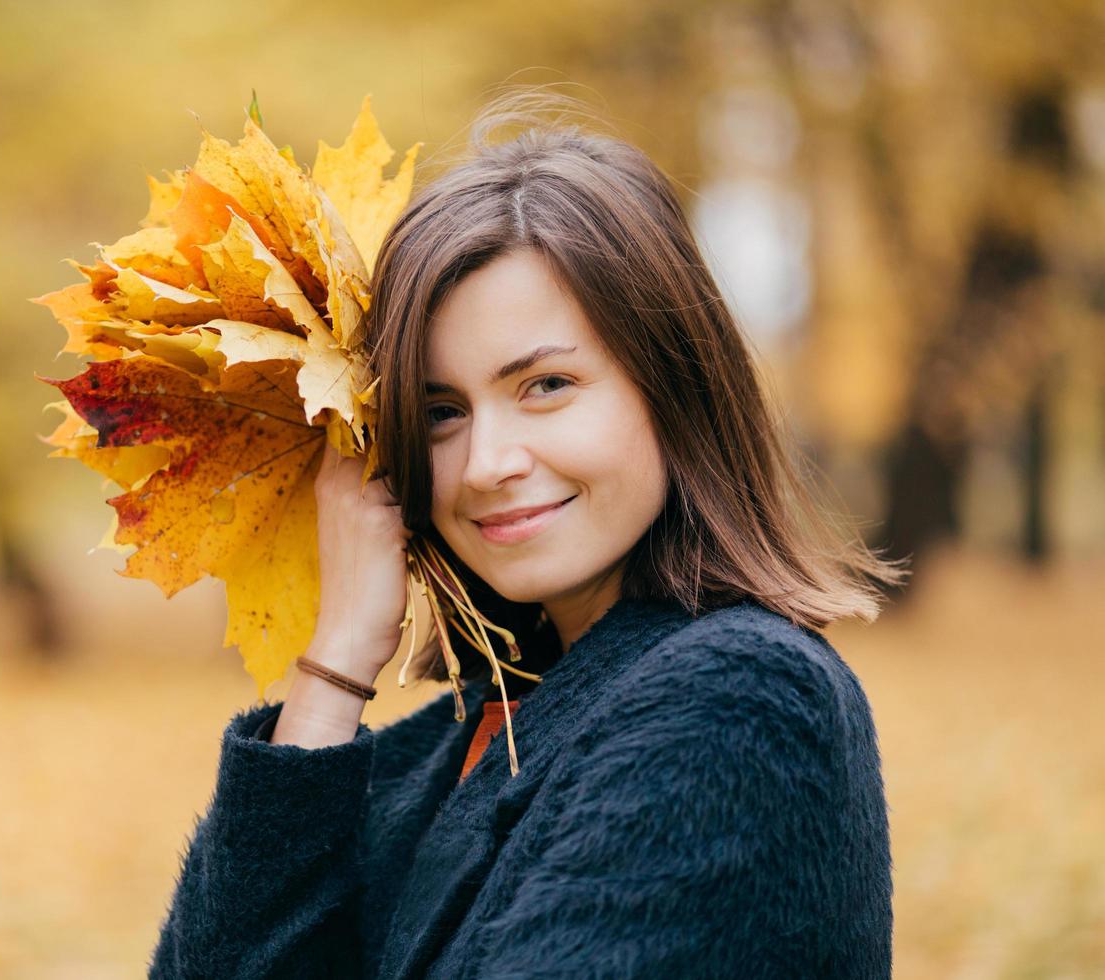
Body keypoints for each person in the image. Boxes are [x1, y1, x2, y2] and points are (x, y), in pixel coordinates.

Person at [147, 88, 907, 979]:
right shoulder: (450, 745)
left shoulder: (739, 698)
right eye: (438, 410)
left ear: (674, 387)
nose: (484, 464)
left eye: (545, 384)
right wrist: (337, 664)